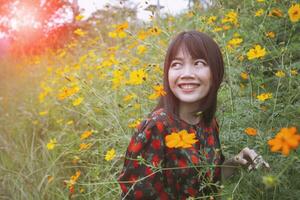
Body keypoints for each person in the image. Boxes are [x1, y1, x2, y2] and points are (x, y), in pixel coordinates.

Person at [117, 30, 269, 200]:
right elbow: (133, 195)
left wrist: (235, 162)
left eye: (198, 63)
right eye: (176, 64)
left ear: (216, 72)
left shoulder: (208, 123)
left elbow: (208, 182)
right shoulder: (156, 127)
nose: (187, 73)